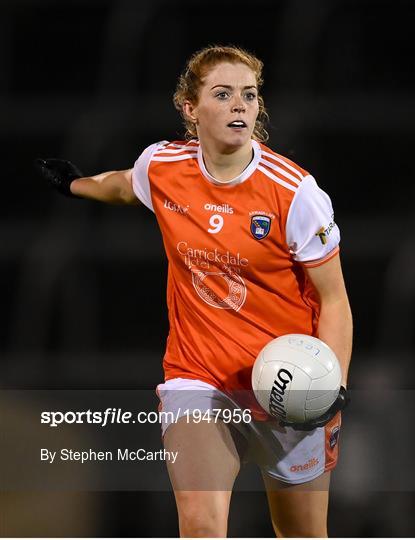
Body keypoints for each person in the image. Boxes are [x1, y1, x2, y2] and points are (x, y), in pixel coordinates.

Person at [35, 45, 353, 538]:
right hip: (198, 377)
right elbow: (123, 184)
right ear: (190, 108)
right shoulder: (164, 166)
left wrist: (331, 392)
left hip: (287, 385)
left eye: (249, 95)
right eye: (222, 95)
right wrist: (76, 186)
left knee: (301, 533)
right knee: (201, 524)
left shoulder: (295, 194)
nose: (240, 106)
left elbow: (333, 300)